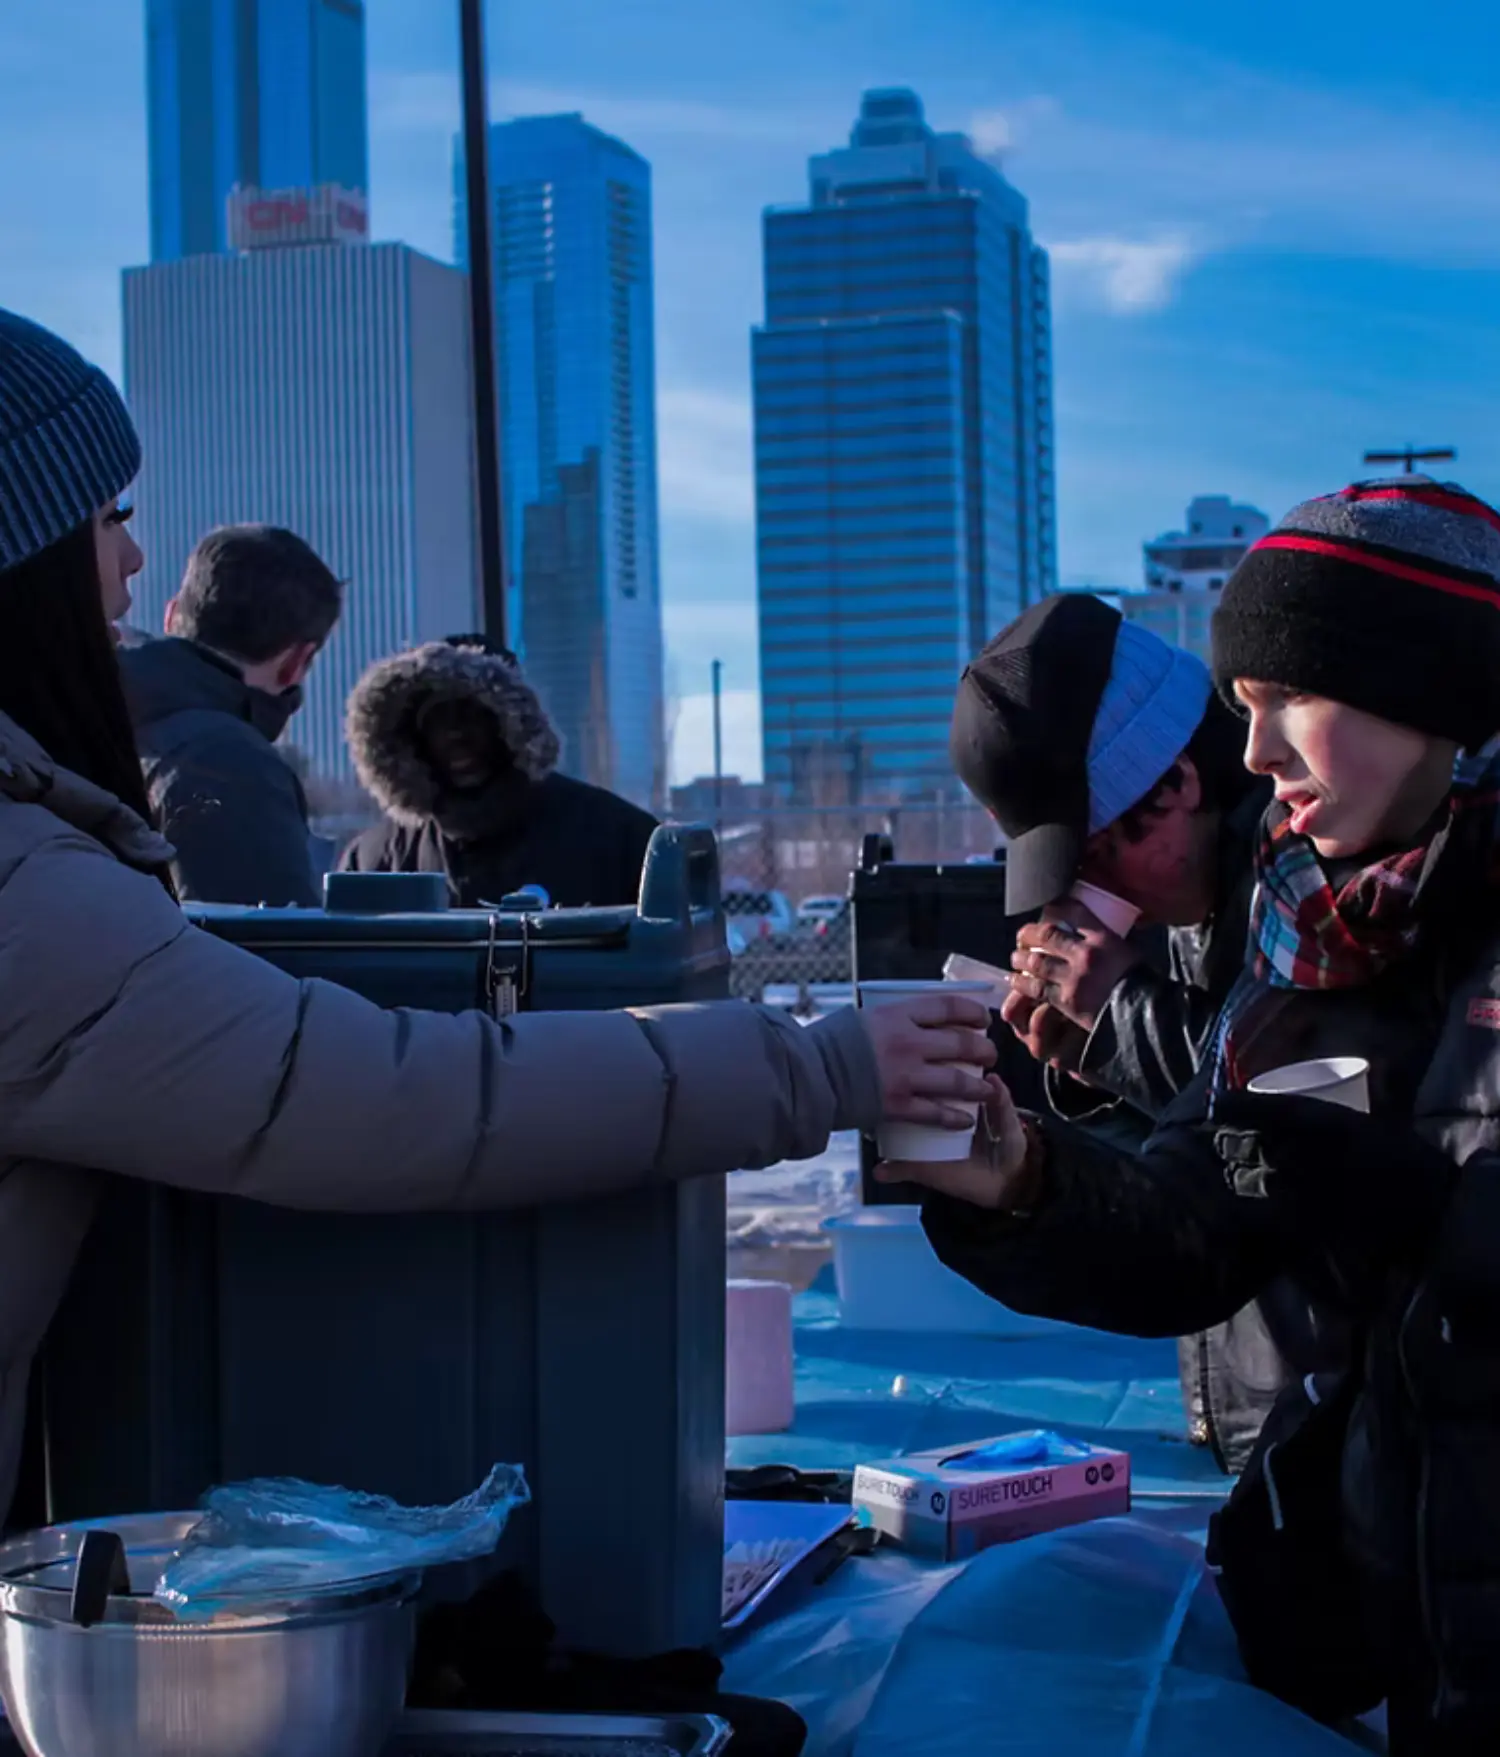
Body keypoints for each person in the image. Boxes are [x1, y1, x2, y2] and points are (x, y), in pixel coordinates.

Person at [0, 307, 996, 1527]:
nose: (137, 563)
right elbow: (365, 1093)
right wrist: (818, 1067)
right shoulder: (25, 889)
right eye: (111, 518)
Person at [894, 476, 1500, 1752]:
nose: (1259, 752)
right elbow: (1230, 1175)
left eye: (1289, 703)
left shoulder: (1307, 930)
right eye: (1243, 711)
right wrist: (1021, 1181)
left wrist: (1123, 1046)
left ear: (1425, 693)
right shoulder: (1326, 938)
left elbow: (1333, 1132)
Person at [950, 594, 1270, 1458]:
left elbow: (1310, 1118)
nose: (1088, 901)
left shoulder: (1308, 888)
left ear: (1178, 783)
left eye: (1091, 859)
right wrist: (1092, 1077)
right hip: (1269, 1428)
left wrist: (1124, 1019)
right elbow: (1193, 1187)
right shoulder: (1194, 894)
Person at [340, 636, 658, 909]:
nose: (456, 734)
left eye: (473, 713)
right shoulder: (374, 863)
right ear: (413, 737)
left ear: (515, 722)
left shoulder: (621, 840)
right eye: (438, 718)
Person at [119, 523, 342, 906]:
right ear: (297, 662)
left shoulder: (98, 710)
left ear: (172, 616)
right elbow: (271, 955)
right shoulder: (232, 765)